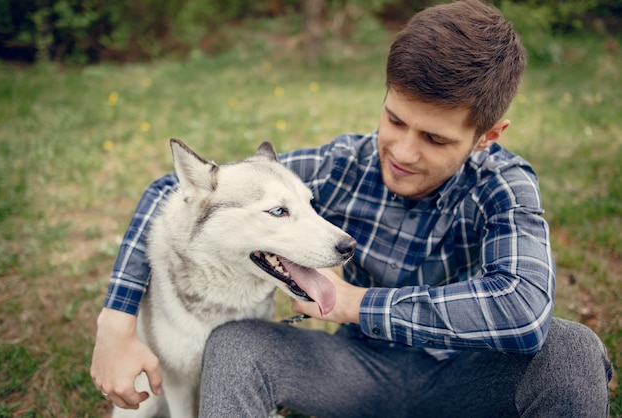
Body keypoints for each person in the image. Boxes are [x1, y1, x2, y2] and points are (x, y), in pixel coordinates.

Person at [91, 1, 613, 416]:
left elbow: (523, 311)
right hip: (353, 371)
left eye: (433, 137)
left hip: (467, 376)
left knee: (573, 349)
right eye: (395, 120)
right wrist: (115, 326)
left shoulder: (504, 184)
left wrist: (357, 303)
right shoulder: (345, 163)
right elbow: (175, 191)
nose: (403, 153)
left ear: (485, 137)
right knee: (234, 344)